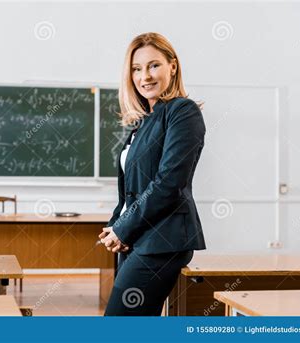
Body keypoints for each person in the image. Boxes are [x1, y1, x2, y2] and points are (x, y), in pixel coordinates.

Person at [99, 32, 206, 316]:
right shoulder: (145, 122)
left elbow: (169, 183)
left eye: (153, 65)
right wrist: (116, 226)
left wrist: (123, 229)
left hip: (163, 240)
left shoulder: (183, 111)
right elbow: (132, 189)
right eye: (136, 69)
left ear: (173, 66)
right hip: (138, 238)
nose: (144, 76)